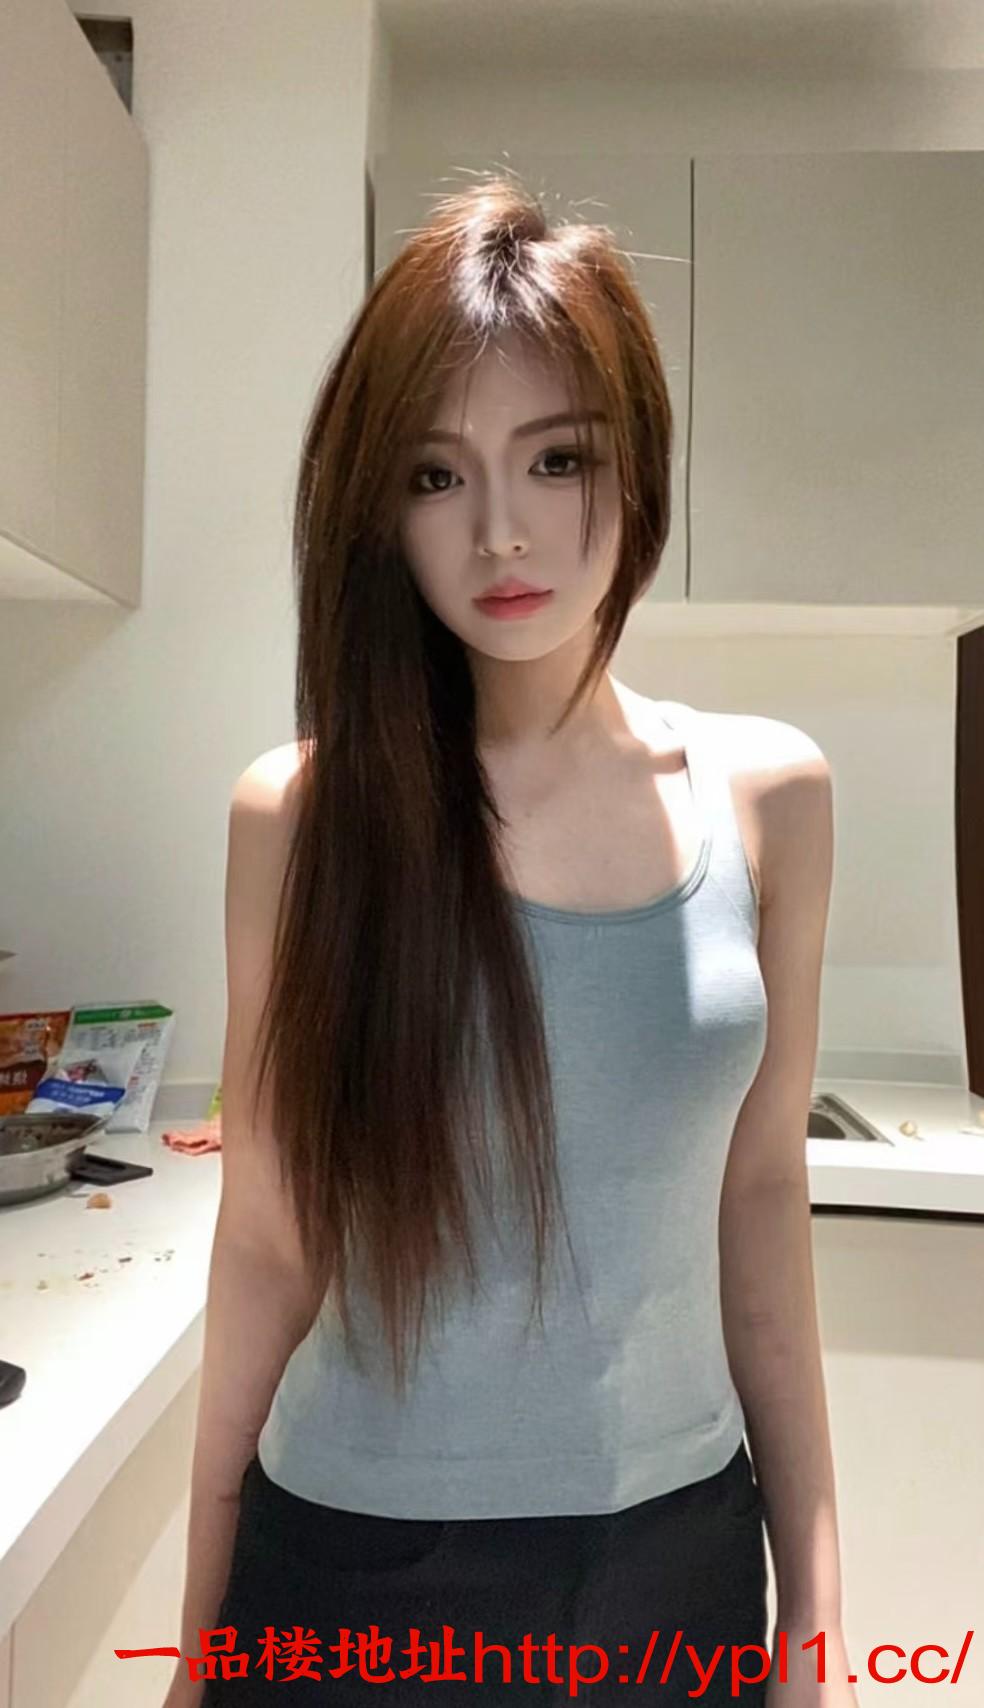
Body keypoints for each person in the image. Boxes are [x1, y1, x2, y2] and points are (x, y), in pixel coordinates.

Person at [165, 174, 853, 1706]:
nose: (499, 531)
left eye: (557, 458)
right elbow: (269, 1242)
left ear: (638, 463)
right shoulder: (305, 816)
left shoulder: (771, 798)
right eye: (435, 474)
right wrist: (197, 1647)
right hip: (356, 1571)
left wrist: (814, 1600)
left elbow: (759, 1198)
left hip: (676, 1562)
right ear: (379, 511)